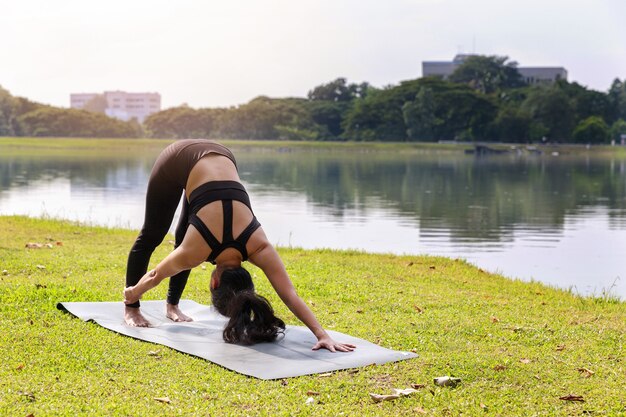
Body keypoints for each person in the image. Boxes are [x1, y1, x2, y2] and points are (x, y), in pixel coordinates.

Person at [123, 139, 355, 352]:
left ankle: (172, 306)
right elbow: (155, 275)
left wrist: (322, 334)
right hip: (178, 157)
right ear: (214, 282)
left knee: (183, 242)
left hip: (224, 154)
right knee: (153, 235)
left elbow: (290, 295)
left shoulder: (258, 246)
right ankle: (131, 310)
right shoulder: (196, 251)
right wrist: (132, 294)